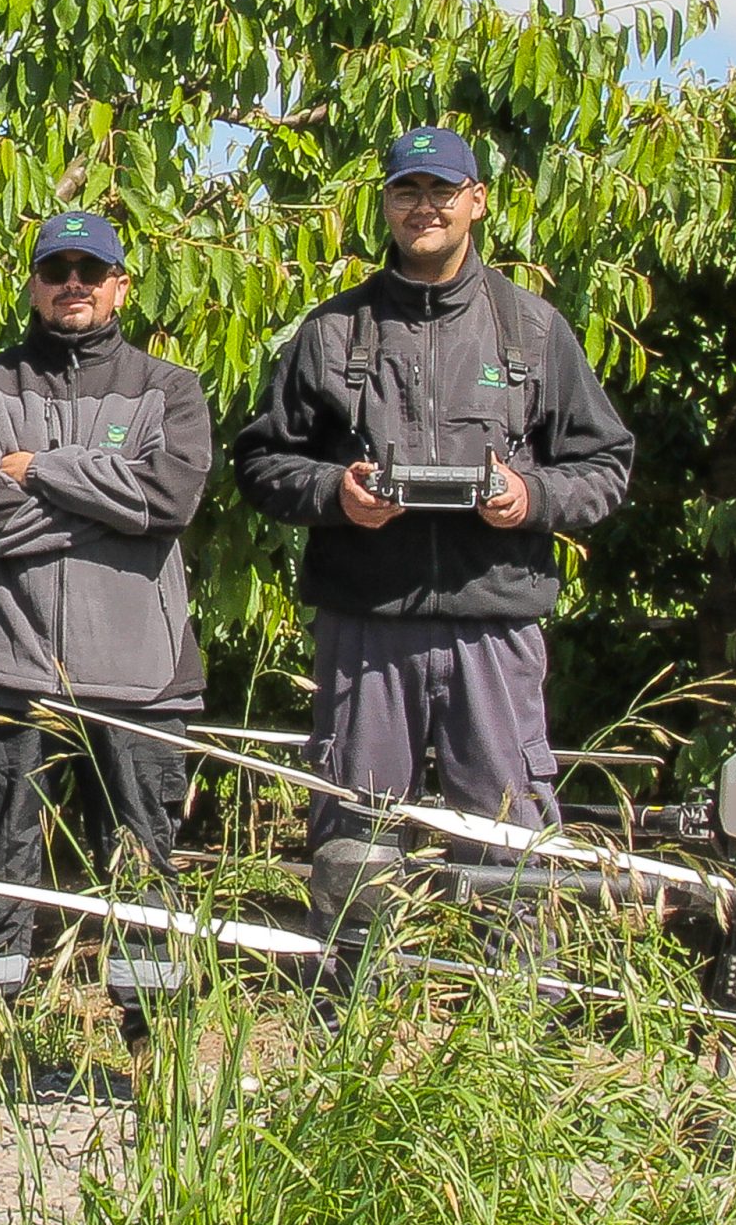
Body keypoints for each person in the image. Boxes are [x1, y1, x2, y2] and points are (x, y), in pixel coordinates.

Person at [232, 125, 634, 868]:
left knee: (510, 844)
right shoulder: (329, 332)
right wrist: (335, 492)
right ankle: (355, 984)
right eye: (407, 191)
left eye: (442, 191)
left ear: (475, 201)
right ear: (385, 204)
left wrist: (530, 494)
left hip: (495, 625)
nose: (425, 207)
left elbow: (606, 464)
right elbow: (260, 461)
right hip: (366, 628)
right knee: (357, 841)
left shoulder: (533, 329)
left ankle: (515, 986)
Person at [0, 208, 213, 1112]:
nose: (75, 283)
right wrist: (104, 492)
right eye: (58, 269)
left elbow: (167, 498)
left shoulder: (170, 387)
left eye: (94, 269)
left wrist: (39, 467)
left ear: (123, 284)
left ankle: (158, 1043)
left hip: (140, 669)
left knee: (141, 860)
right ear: (35, 282)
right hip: (3, 661)